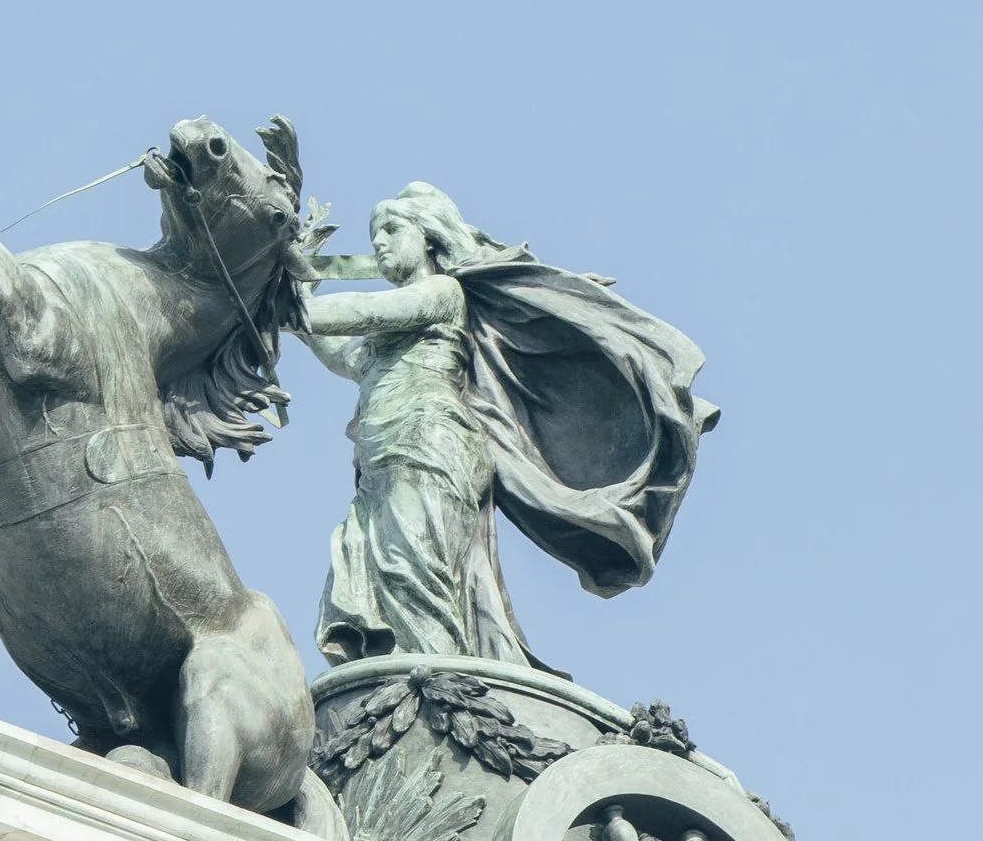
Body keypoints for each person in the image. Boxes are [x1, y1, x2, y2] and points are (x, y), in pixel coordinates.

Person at [301, 182, 714, 667]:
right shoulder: (389, 336)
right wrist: (299, 294)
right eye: (375, 236)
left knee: (414, 575)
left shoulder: (440, 292)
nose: (380, 243)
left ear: (429, 235)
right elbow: (342, 353)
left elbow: (360, 311)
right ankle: (420, 683)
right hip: (382, 458)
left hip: (429, 446)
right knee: (388, 574)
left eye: (393, 229)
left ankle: (438, 694)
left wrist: (290, 304)